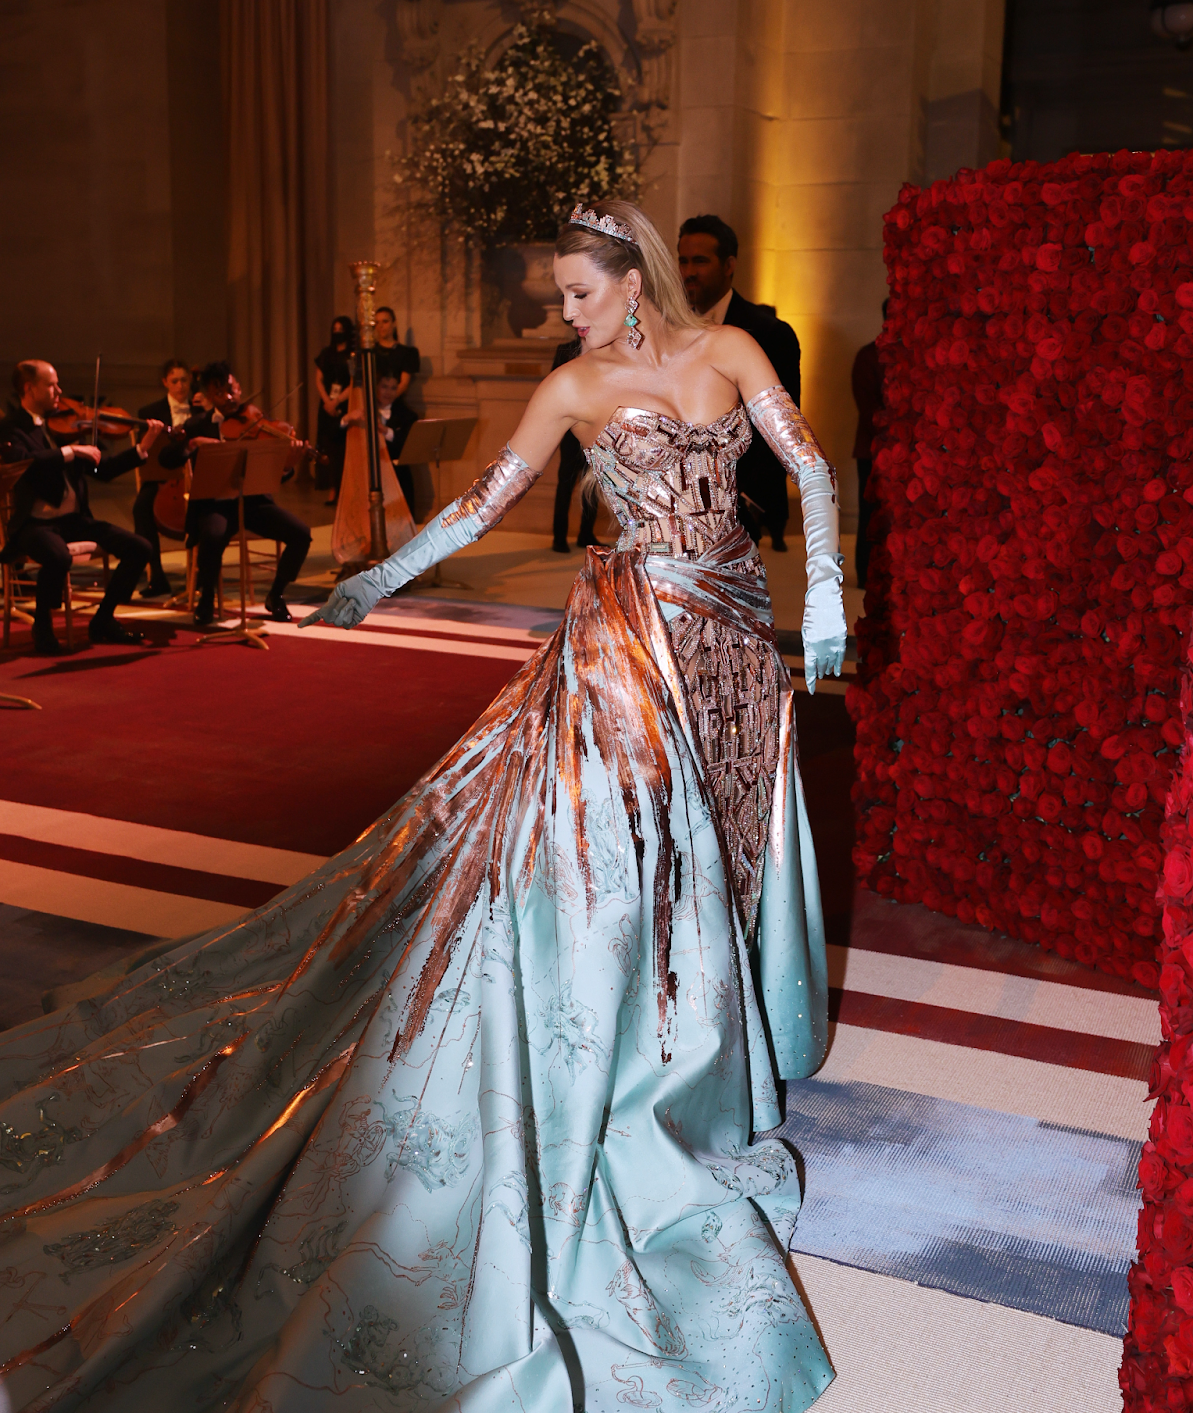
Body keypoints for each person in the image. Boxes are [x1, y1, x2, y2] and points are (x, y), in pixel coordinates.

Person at [0, 202, 844, 1410]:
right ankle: (646, 1052)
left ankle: (708, 1026)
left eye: (578, 292)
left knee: (725, 823)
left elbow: (806, 465)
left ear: (632, 280)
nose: (564, 311)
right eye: (559, 294)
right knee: (636, 837)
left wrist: (823, 594)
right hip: (626, 635)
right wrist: (381, 576)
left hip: (733, 622)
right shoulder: (569, 387)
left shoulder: (730, 350)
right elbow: (480, 504)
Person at [0, 359, 164, 654]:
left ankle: (103, 619)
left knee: (140, 548)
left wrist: (143, 447)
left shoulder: (62, 426)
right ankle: (42, 627)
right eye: (51, 385)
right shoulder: (11, 428)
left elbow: (103, 470)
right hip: (34, 525)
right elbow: (23, 462)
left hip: (73, 521)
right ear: (29, 388)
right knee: (57, 556)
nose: (59, 391)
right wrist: (70, 451)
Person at [678, 213, 801, 550]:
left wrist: (747, 499)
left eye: (700, 261)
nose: (689, 271)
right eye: (683, 261)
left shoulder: (769, 333)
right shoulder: (668, 328)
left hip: (736, 505)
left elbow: (781, 427)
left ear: (729, 265)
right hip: (672, 504)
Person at [182, 360, 312, 626]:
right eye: (220, 393)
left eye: (231, 390)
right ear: (209, 396)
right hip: (215, 504)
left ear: (239, 387)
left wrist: (287, 465)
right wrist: (192, 445)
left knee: (301, 534)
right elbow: (167, 458)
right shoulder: (196, 425)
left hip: (253, 504)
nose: (229, 397)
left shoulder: (257, 421)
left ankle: (276, 595)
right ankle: (206, 599)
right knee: (212, 535)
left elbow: (273, 475)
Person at [132, 356, 194, 598]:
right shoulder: (150, 413)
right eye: (174, 381)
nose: (180, 386)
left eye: (184, 380)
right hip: (162, 478)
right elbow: (147, 452)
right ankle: (156, 576)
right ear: (165, 382)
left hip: (196, 478)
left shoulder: (201, 408)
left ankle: (200, 577)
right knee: (141, 508)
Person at [549, 333, 599, 552]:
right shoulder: (564, 350)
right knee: (565, 483)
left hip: (596, 429)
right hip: (570, 431)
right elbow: (553, 389)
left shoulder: (604, 350)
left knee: (593, 484)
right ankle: (559, 537)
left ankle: (586, 534)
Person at [852, 300, 887, 589]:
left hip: (896, 448)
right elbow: (868, 409)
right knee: (869, 513)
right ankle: (865, 573)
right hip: (873, 449)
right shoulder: (869, 356)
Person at [374, 305, 420, 513]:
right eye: (377, 323)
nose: (381, 326)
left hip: (394, 412)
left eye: (385, 321)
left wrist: (387, 398)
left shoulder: (405, 353)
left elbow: (402, 383)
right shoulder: (370, 353)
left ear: (393, 324)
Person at [314, 315, 355, 504]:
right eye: (335, 329)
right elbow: (318, 379)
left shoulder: (353, 355)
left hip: (345, 405)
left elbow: (354, 383)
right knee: (328, 447)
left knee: (343, 449)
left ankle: (344, 489)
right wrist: (327, 402)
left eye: (341, 329)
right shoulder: (326, 353)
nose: (337, 333)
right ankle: (331, 488)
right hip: (326, 405)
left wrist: (336, 401)